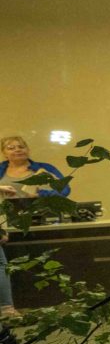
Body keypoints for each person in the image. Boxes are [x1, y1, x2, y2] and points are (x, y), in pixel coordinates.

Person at [0, 135, 71, 319]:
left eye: (21, 146)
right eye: (11, 147)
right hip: (7, 220)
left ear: (28, 149)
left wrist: (42, 193)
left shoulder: (43, 168)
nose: (17, 150)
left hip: (40, 217)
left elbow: (64, 189)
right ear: (4, 153)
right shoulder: (0, 170)